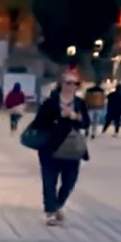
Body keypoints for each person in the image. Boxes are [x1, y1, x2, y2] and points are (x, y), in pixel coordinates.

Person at [30, 72, 90, 226]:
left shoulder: (79, 103)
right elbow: (38, 123)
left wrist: (76, 118)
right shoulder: (50, 102)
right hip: (50, 147)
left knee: (69, 181)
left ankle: (58, 204)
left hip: (72, 148)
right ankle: (50, 211)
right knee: (49, 181)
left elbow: (86, 123)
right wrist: (58, 115)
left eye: (74, 84)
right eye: (68, 83)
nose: (71, 87)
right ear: (61, 84)